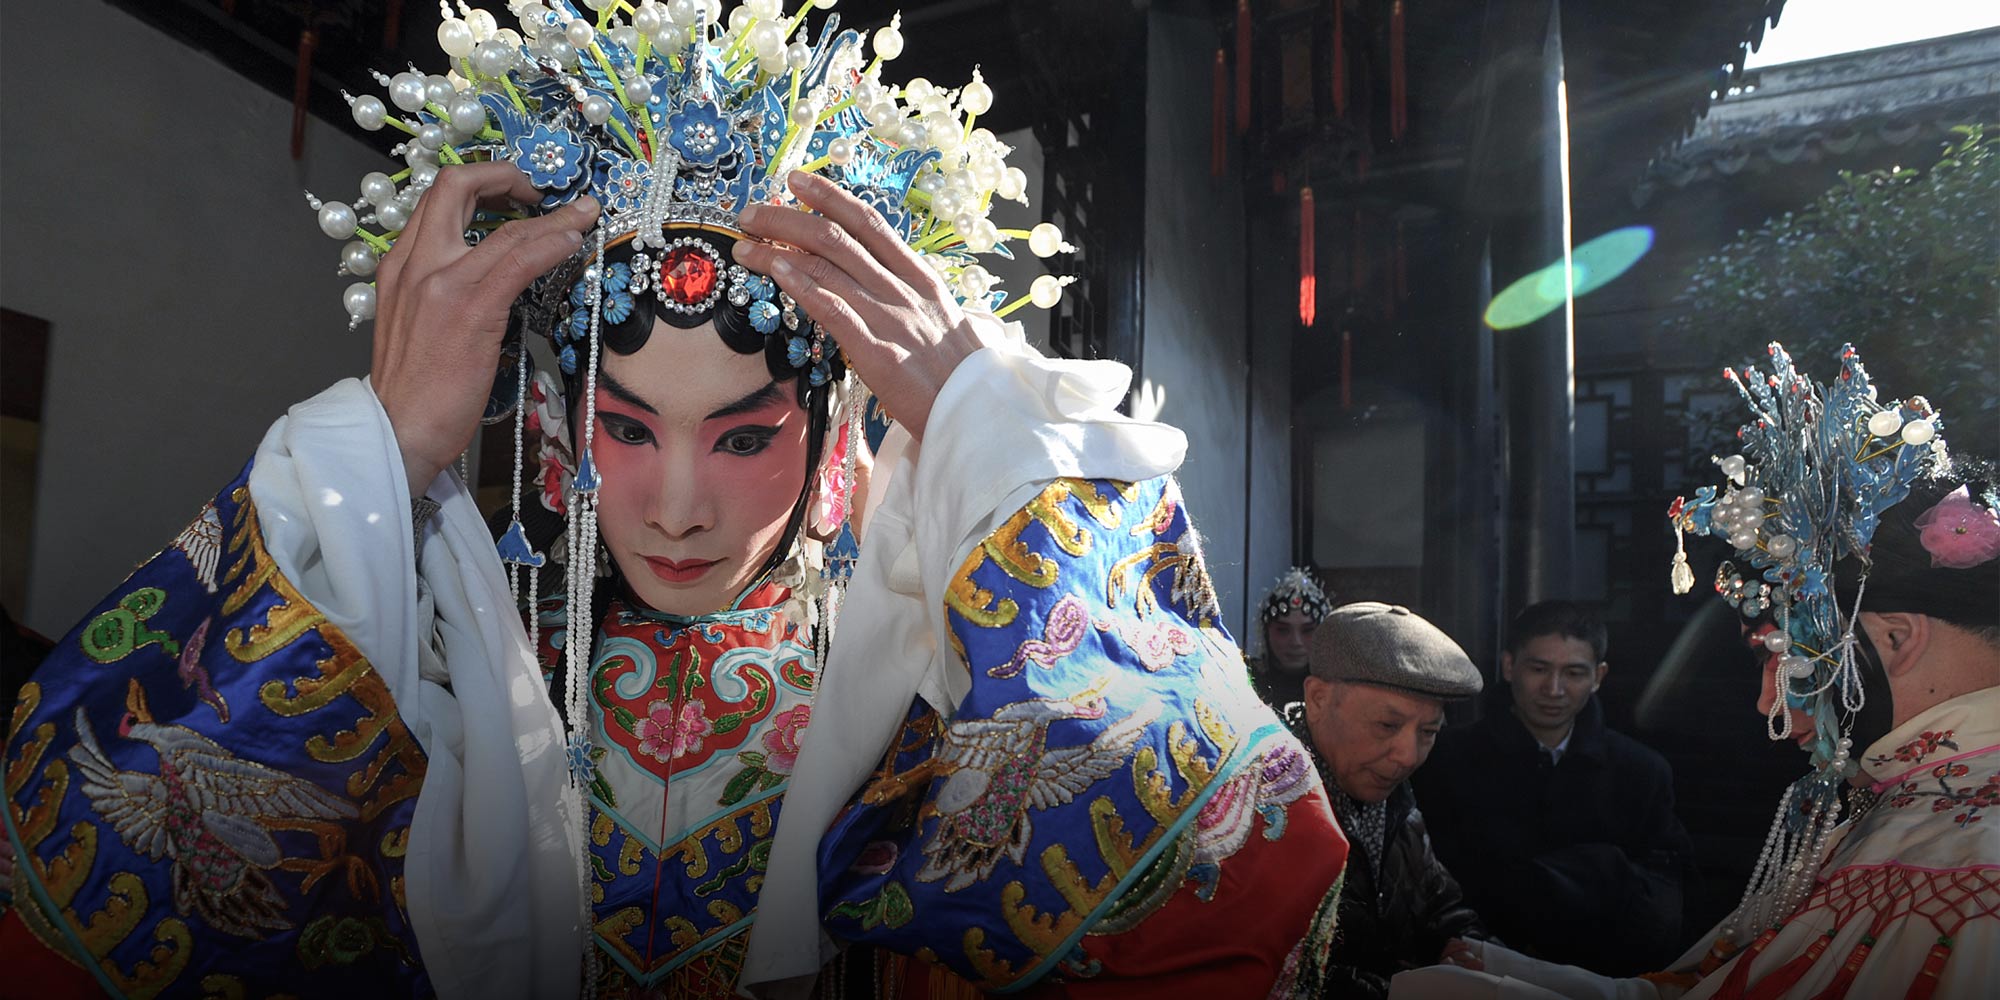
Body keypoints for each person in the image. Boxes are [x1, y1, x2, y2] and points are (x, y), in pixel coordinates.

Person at [0, 4, 1349, 999]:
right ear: (551, 450)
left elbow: (1234, 892)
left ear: (836, 458)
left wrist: (995, 438)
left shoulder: (938, 727)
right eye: (628, 429)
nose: (682, 504)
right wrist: (370, 458)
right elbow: (82, 892)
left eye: (748, 431)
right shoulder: (438, 707)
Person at [1391, 344, 2000, 999]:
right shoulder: (1911, 807)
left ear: (1897, 639)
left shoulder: (1965, 857)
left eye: (1780, 657)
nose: (1767, 702)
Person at [1419, 601, 1691, 974]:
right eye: (1539, 668)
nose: (1554, 688)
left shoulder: (1641, 772)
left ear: (1599, 676)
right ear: (1509, 666)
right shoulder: (1446, 759)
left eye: (1574, 673)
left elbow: (1665, 901)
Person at [1288, 601, 1491, 999]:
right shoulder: (1265, 806)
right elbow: (1284, 973)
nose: (1408, 756)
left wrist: (1464, 949)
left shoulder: (1396, 801)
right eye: (1387, 725)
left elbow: (1442, 907)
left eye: (1428, 732)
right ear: (1318, 699)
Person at [1248, 567, 1332, 710]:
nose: (1296, 642)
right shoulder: (1247, 682)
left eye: (1307, 630)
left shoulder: (1337, 688)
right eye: (1283, 630)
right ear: (1266, 632)